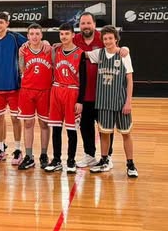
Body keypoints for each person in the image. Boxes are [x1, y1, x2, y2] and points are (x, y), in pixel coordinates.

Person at [87, 26, 137, 177]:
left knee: (126, 134)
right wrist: (58, 45)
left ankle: (130, 164)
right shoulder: (99, 53)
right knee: (104, 133)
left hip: (121, 102)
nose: (108, 41)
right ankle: (104, 160)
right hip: (104, 102)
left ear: (116, 39)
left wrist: (128, 102)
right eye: (105, 38)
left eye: (110, 38)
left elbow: (130, 80)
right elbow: (80, 53)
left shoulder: (123, 55)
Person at [74, 12, 114, 169]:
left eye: (88, 23)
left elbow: (116, 49)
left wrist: (124, 49)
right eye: (83, 23)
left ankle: (107, 156)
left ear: (94, 24)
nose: (86, 26)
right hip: (84, 93)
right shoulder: (75, 40)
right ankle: (89, 155)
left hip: (103, 93)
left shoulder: (102, 38)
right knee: (86, 126)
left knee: (105, 127)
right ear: (79, 25)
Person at [44, 23, 86, 173]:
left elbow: (84, 80)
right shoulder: (55, 50)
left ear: (73, 35)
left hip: (72, 92)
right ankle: (56, 159)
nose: (64, 36)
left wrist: (80, 100)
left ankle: (71, 160)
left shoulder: (80, 53)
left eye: (67, 34)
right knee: (56, 128)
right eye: (61, 34)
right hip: (56, 90)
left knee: (71, 130)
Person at [0, 12, 27, 165]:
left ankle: (17, 149)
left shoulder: (15, 38)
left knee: (15, 118)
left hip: (13, 86)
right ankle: (0, 148)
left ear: (7, 24)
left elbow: (30, 46)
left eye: (1, 22)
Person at [17, 24, 53, 170]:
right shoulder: (23, 50)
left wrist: (48, 44)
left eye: (37, 33)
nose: (34, 36)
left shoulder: (49, 50)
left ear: (42, 35)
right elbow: (22, 68)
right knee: (28, 124)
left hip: (45, 91)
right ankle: (28, 156)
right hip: (27, 91)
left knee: (44, 124)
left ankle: (44, 154)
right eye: (31, 34)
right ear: (27, 36)